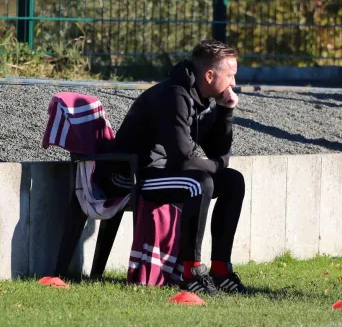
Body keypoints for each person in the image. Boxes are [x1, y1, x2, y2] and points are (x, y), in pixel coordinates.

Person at [94, 39, 247, 295]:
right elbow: (183, 160)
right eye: (230, 75)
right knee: (200, 183)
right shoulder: (175, 96)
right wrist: (217, 165)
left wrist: (225, 111)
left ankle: (221, 269)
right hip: (130, 175)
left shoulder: (198, 96)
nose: (233, 83)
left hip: (161, 171)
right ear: (210, 75)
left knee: (233, 181)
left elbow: (216, 150)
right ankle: (192, 271)